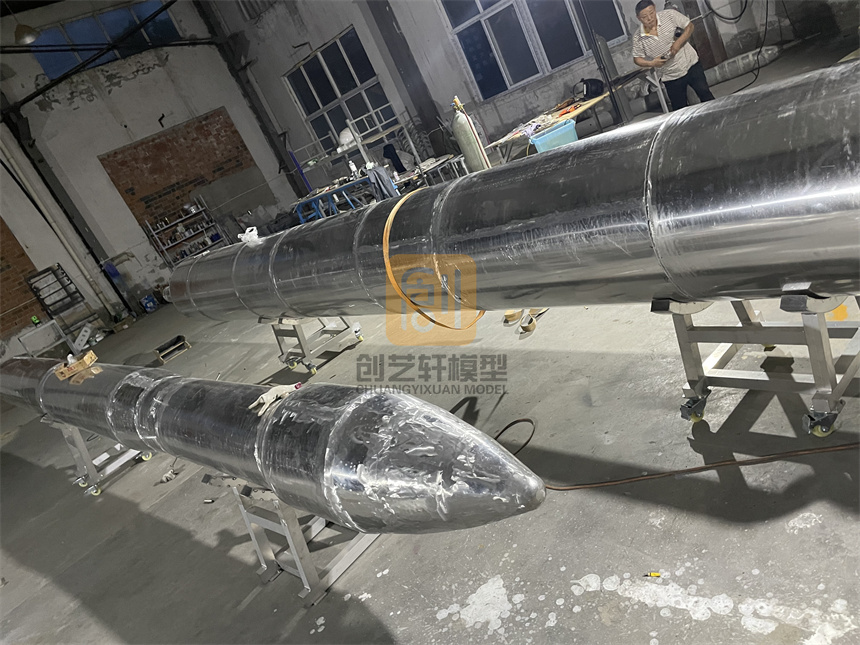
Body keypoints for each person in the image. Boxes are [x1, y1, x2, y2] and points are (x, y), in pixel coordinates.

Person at [631, 0, 715, 111]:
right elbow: (637, 59)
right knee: (680, 110)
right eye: (644, 17)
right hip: (670, 75)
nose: (650, 18)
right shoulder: (638, 37)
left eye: (651, 13)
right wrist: (652, 63)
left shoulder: (669, 15)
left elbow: (689, 26)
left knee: (706, 95)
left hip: (690, 64)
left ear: (655, 8)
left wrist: (678, 43)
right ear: (638, 18)